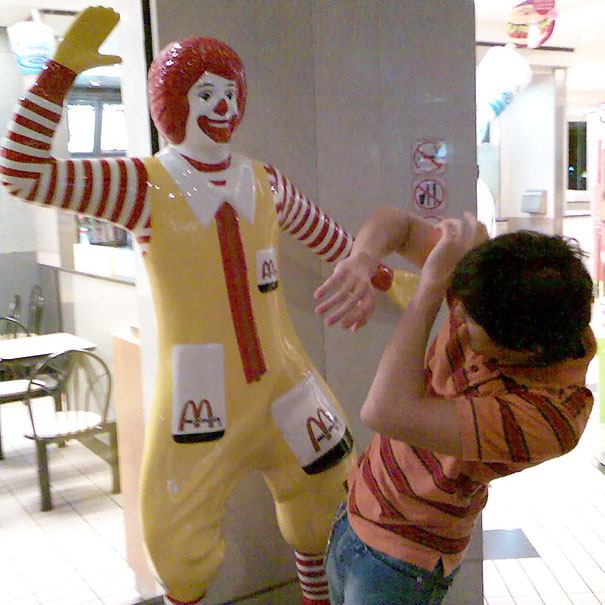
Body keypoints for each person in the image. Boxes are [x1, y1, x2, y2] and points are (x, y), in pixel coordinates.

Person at [0, 7, 403, 605]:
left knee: (328, 496)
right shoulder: (140, 185)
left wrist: (390, 280)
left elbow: (330, 240)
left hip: (286, 379)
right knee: (176, 541)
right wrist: (60, 74)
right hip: (199, 395)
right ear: (174, 103)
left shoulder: (264, 181)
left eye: (230, 93)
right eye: (206, 93)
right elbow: (22, 173)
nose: (222, 107)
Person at [314, 208, 595, 604]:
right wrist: (362, 260)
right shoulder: (501, 285)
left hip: (401, 561)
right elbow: (399, 226)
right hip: (357, 509)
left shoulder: (550, 417)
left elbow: (384, 411)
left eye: (471, 324)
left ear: (525, 352)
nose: (457, 313)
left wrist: (431, 285)